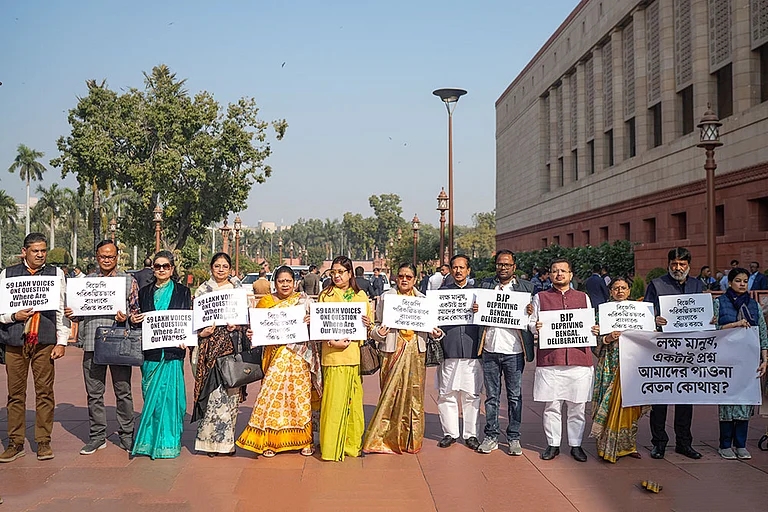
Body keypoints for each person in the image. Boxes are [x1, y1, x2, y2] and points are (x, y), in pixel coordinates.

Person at [64, 240, 140, 455]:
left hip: (119, 342)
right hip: (91, 343)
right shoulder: (84, 283)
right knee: (94, 392)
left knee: (123, 391)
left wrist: (128, 317)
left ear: (117, 257)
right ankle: (97, 436)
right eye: (103, 256)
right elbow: (78, 313)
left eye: (111, 256)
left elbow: (136, 312)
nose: (107, 260)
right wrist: (72, 314)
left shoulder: (128, 281)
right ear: (96, 257)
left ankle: (127, 435)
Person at [237, 266, 321, 457]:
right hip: (275, 355)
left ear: (294, 283)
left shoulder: (303, 301)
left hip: (299, 357)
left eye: (288, 281)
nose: (285, 284)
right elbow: (257, 328)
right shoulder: (266, 302)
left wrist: (311, 320)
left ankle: (304, 440)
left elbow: (317, 328)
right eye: (281, 281)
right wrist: (252, 332)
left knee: (298, 398)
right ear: (275, 283)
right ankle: (269, 441)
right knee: (271, 395)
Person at [0, 233, 69, 463]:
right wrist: (13, 315)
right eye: (35, 251)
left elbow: (61, 307)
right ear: (24, 252)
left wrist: (62, 341)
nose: (40, 255)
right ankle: (15, 442)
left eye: (43, 250)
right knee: (15, 394)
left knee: (45, 392)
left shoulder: (55, 274)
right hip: (15, 340)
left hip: (45, 340)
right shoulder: (8, 274)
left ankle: (43, 441)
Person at [364, 263, 443, 454]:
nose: (405, 280)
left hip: (416, 351)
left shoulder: (423, 300)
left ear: (415, 279)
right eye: (401, 276)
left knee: (414, 396)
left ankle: (411, 440)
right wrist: (378, 333)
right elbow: (374, 327)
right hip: (392, 351)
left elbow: (434, 328)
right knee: (390, 394)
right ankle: (384, 439)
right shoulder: (387, 298)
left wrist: (436, 333)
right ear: (395, 278)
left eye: (408, 276)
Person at [530, 258, 599, 462]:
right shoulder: (540, 297)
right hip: (551, 359)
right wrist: (536, 327)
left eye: (563, 271)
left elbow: (589, 323)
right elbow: (531, 322)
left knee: (577, 405)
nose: (559, 274)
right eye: (554, 271)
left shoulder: (583, 297)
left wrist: (594, 329)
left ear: (570, 275)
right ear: (550, 275)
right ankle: (553, 444)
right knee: (552, 405)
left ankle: (576, 445)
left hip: (579, 359)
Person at [129, 251, 192, 459]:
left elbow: (188, 319)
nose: (162, 270)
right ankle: (149, 442)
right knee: (152, 400)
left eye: (166, 266)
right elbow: (135, 316)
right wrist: (134, 320)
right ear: (153, 269)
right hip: (152, 354)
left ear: (172, 269)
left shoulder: (183, 291)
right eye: (158, 266)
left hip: (173, 353)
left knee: (173, 400)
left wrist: (187, 338)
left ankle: (169, 443)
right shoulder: (145, 292)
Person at [643, 247, 704, 460]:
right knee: (660, 396)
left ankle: (684, 443)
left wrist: (709, 319)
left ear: (689, 265)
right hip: (662, 349)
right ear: (668, 264)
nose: (678, 268)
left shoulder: (698, 285)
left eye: (682, 264)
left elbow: (703, 313)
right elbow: (645, 314)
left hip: (688, 350)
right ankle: (659, 443)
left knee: (686, 397)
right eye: (674, 264)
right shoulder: (657, 284)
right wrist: (655, 319)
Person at [477, 250, 535, 456]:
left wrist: (530, 311)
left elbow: (534, 317)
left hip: (514, 351)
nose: (503, 268)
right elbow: (476, 311)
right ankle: (491, 435)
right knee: (491, 397)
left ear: (514, 267)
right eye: (500, 264)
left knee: (514, 397)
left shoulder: (527, 289)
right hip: (490, 349)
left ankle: (513, 437)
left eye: (507, 265)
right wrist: (476, 308)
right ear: (496, 266)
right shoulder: (485, 286)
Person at [191, 252, 250, 456]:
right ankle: (209, 444)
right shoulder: (202, 291)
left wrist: (238, 326)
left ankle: (226, 444)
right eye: (217, 266)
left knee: (229, 396)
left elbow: (246, 318)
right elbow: (195, 321)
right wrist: (202, 332)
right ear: (211, 267)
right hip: (209, 351)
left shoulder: (237, 291)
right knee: (212, 396)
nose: (221, 270)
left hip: (231, 350)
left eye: (225, 266)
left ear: (231, 269)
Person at [317, 256, 372, 461]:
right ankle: (331, 448)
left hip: (353, 356)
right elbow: (320, 326)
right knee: (333, 403)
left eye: (341, 272)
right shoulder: (326, 295)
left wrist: (368, 324)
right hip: (332, 356)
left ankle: (352, 445)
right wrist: (332, 342)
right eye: (334, 272)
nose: (337, 276)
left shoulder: (360, 295)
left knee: (354, 404)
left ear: (350, 274)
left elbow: (369, 326)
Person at [590, 277, 650, 463]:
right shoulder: (602, 313)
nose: (620, 291)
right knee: (607, 405)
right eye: (616, 288)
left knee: (630, 406)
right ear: (610, 292)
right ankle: (606, 447)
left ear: (629, 291)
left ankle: (628, 446)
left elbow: (650, 336)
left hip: (632, 364)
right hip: (609, 364)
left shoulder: (640, 312)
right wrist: (607, 338)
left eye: (623, 288)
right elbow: (594, 342)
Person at [714, 267, 768, 459]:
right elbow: (712, 329)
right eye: (738, 280)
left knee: (745, 401)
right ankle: (725, 444)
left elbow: (761, 331)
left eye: (745, 281)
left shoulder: (753, 305)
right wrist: (734, 325)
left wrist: (765, 359)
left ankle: (741, 444)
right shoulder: (719, 303)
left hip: (748, 361)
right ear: (729, 283)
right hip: (726, 360)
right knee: (728, 403)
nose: (742, 284)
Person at [435, 255, 482, 451]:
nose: (458, 271)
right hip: (449, 349)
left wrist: (480, 310)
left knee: (471, 394)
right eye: (455, 267)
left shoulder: (478, 294)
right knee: (447, 393)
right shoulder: (441, 294)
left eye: (462, 267)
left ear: (468, 270)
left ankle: (471, 434)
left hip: (473, 350)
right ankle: (450, 433)